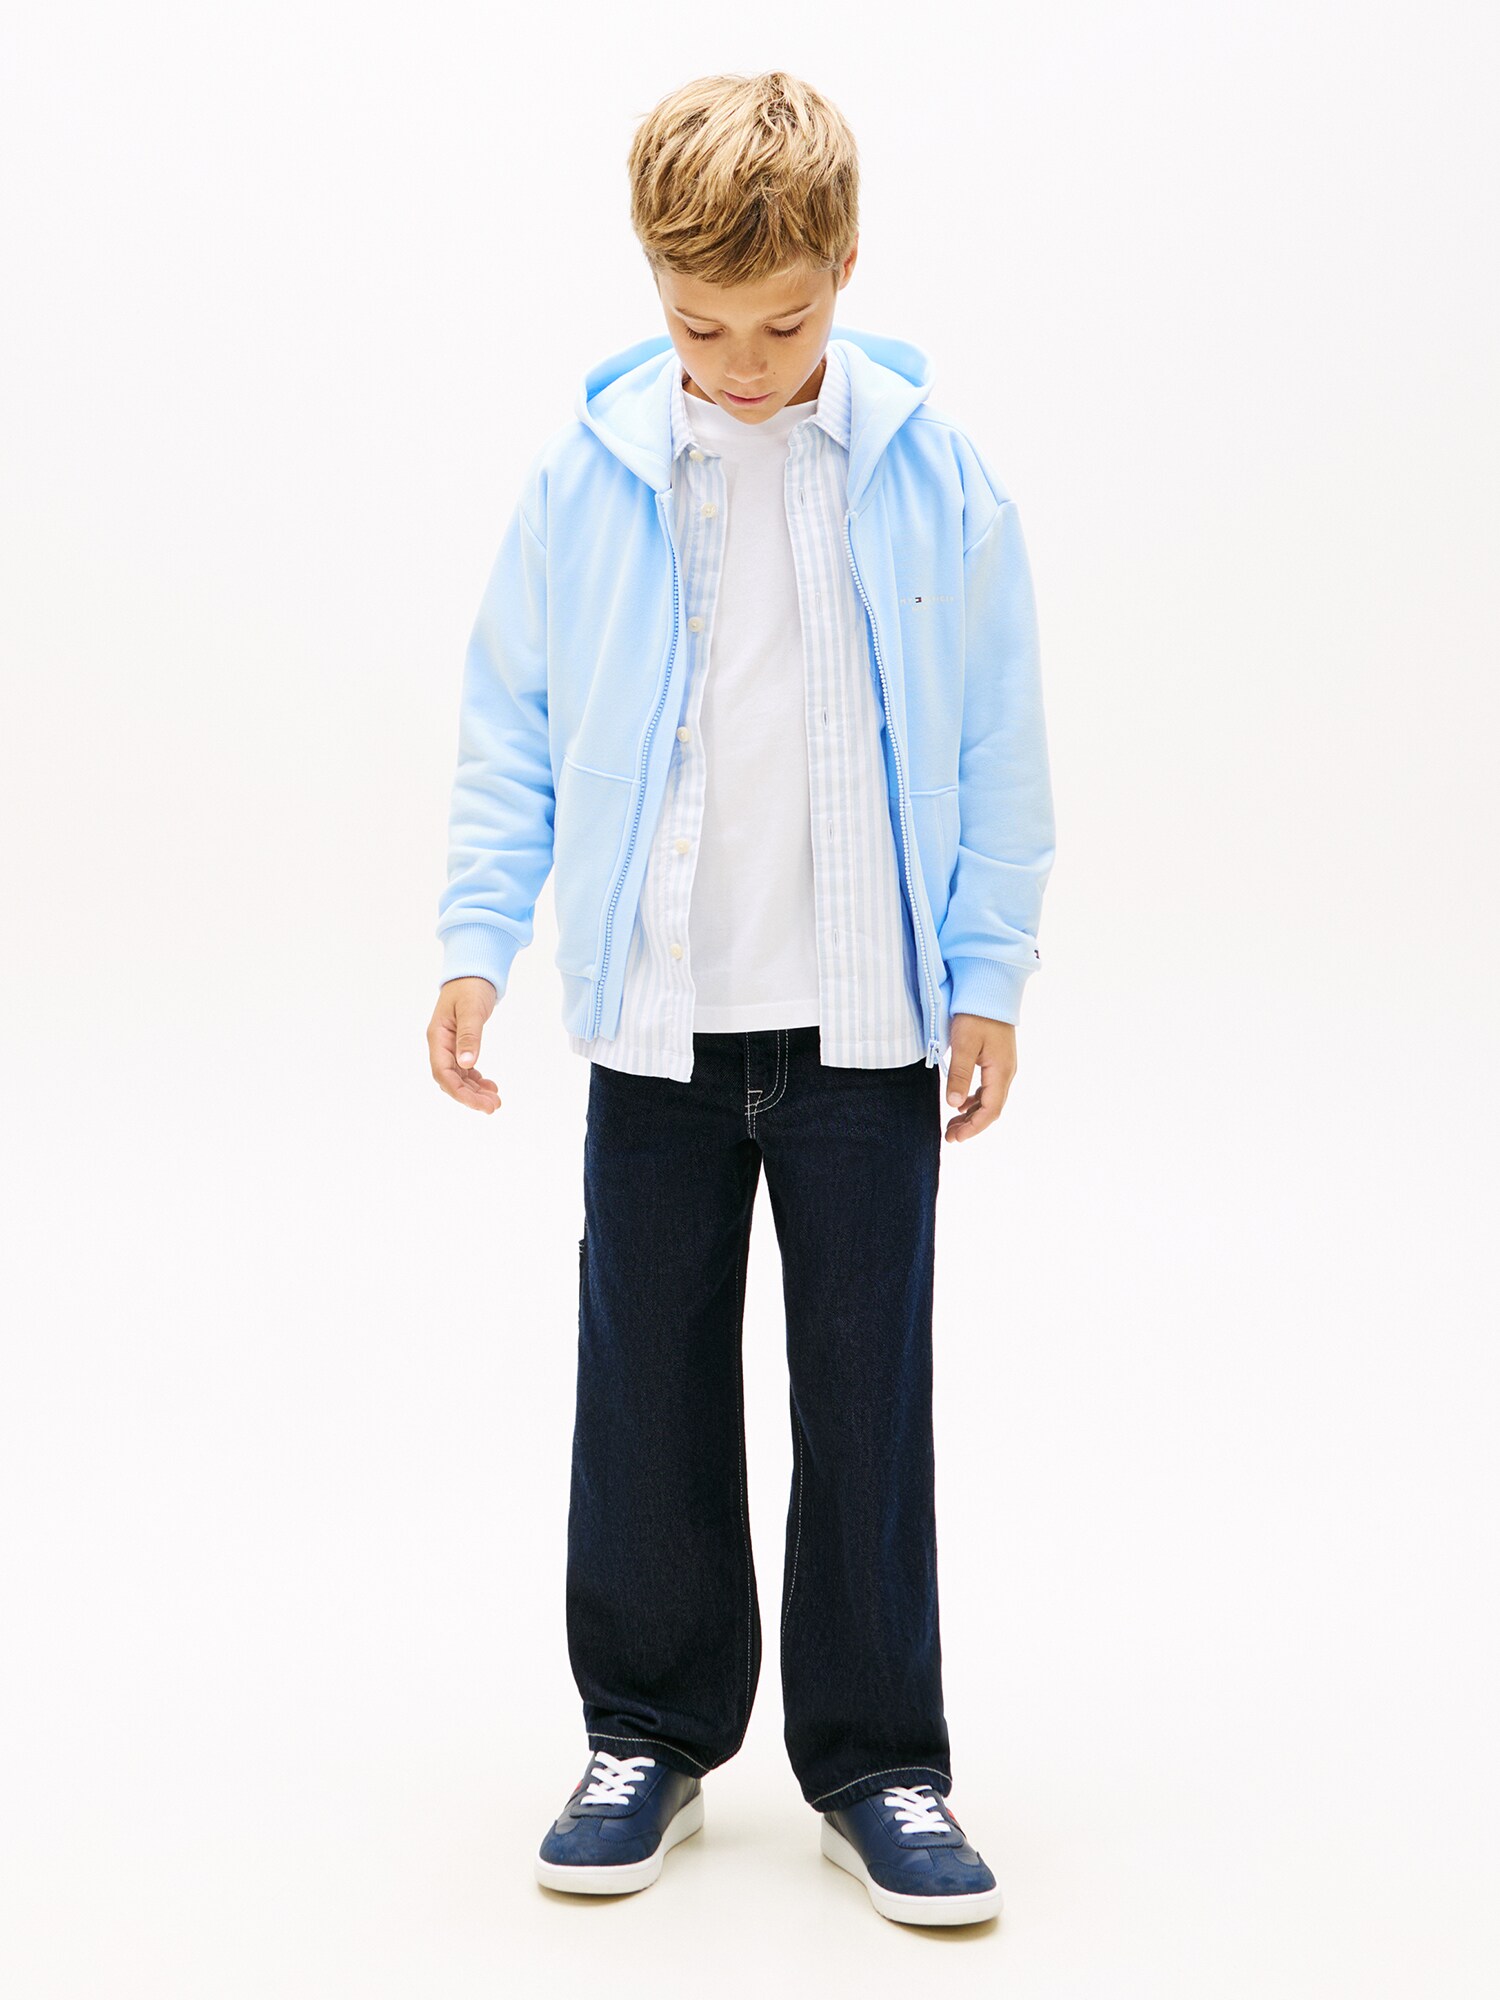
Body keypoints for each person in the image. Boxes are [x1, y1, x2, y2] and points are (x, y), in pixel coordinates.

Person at [427, 70, 1055, 1929]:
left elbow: (1003, 744)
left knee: (867, 1392)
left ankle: (880, 1762)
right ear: (654, 284)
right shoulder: (591, 479)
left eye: (781, 322)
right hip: (660, 1028)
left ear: (845, 267)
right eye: (701, 325)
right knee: (644, 1383)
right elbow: (512, 723)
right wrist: (476, 940)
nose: (744, 362)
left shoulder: (936, 478)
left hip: (866, 1033)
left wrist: (989, 974)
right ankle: (647, 1730)